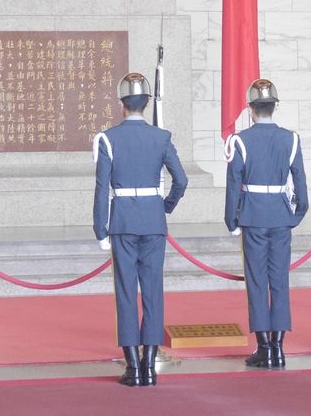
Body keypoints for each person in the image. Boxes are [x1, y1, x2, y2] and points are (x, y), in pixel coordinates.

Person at [93, 73, 187, 387]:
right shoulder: (161, 137)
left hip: (123, 221)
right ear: (146, 104)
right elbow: (181, 180)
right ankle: (150, 365)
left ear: (122, 104)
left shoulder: (108, 139)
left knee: (126, 291)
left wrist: (100, 228)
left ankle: (133, 366)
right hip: (153, 220)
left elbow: (101, 188)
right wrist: (165, 206)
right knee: (152, 290)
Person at [224, 78, 308, 369]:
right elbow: (300, 181)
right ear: (275, 107)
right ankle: (279, 347)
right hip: (281, 216)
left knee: (258, 281)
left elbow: (233, 183)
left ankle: (264, 348)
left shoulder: (240, 141)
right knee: (280, 281)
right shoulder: (291, 139)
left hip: (253, 216)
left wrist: (232, 220)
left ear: (250, 109)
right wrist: (296, 214)